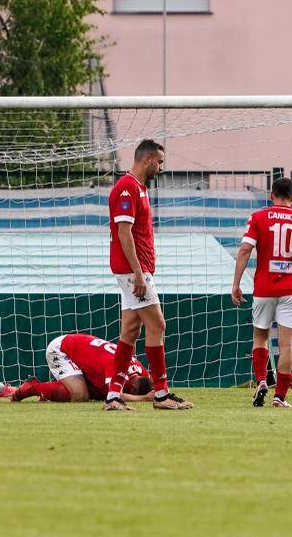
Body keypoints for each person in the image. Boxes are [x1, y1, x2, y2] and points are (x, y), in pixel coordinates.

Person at [104, 139, 193, 411]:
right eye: (160, 162)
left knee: (130, 331)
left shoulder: (139, 188)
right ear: (147, 160)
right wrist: (139, 273)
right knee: (158, 326)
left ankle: (112, 396)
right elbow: (123, 233)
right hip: (134, 272)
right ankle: (162, 395)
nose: (161, 167)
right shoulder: (127, 188)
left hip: (135, 270)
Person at [231, 177, 292, 408]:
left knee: (260, 337)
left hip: (264, 289)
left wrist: (236, 284)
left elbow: (244, 251)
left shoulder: (258, 218)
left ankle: (261, 380)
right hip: (290, 290)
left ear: (271, 196)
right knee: (287, 344)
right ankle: (280, 397)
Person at [11, 333, 154, 403]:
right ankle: (30, 387)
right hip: (62, 349)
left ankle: (51, 391)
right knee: (80, 395)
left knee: (96, 391)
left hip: (82, 352)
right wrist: (144, 398)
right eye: (132, 390)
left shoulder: (142, 372)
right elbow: (116, 395)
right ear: (134, 387)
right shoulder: (116, 365)